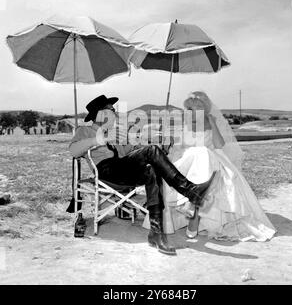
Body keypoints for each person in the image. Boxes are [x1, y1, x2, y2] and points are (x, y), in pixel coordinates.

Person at [68, 94, 219, 256]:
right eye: (111, 110)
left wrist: (153, 143)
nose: (115, 113)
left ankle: (156, 233)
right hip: (106, 171)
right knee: (151, 152)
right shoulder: (84, 130)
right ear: (99, 114)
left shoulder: (117, 132)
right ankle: (191, 191)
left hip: (124, 170)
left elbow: (129, 152)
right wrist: (100, 139)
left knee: (151, 169)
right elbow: (74, 151)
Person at [163, 91, 276, 242]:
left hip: (209, 160)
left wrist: (213, 123)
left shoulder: (211, 122)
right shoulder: (184, 124)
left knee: (203, 152)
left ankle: (194, 206)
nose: (191, 111)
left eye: (196, 108)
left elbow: (219, 145)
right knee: (196, 153)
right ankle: (193, 200)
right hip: (187, 162)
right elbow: (178, 149)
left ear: (204, 108)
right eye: (189, 108)